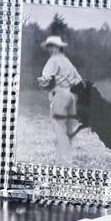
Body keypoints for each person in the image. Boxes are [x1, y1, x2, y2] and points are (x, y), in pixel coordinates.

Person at [37, 36, 82, 165]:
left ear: (58, 47)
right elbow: (79, 79)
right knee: (67, 129)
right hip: (71, 95)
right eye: (49, 46)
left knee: (59, 128)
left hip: (59, 94)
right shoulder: (67, 61)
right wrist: (69, 82)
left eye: (51, 46)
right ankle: (61, 160)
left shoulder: (53, 60)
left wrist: (43, 83)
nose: (49, 49)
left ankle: (66, 162)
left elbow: (45, 79)